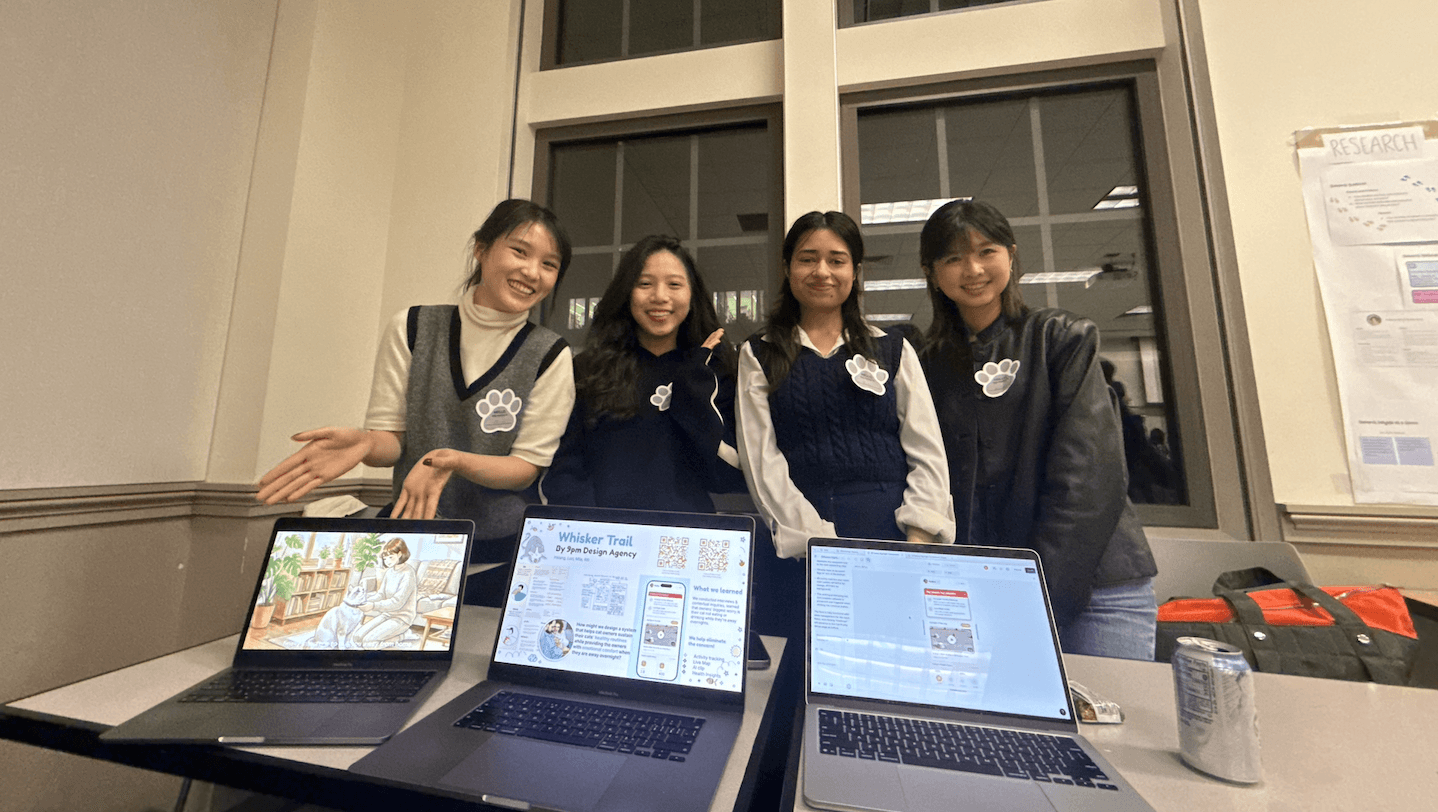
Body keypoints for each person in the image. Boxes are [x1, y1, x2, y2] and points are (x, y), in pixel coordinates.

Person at [256, 199, 577, 602]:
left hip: (503, 553)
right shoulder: (412, 327)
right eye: (519, 251)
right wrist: (366, 443)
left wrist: (454, 461)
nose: (532, 272)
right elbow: (392, 443)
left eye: (549, 264)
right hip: (414, 540)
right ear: (481, 249)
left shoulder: (550, 353)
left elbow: (525, 469)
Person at [914, 199, 1158, 660]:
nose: (973, 269)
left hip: (1099, 589)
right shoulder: (927, 366)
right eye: (953, 258)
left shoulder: (1061, 338)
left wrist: (1035, 597)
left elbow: (1088, 480)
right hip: (990, 589)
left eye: (986, 251)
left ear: (1011, 255)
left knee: (1102, 710)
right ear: (932, 272)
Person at [737, 210, 954, 548]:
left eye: (836, 261)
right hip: (803, 535)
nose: (822, 271)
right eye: (807, 259)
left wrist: (919, 532)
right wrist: (814, 541)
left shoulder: (892, 348)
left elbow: (926, 448)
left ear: (855, 272)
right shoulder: (759, 353)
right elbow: (761, 462)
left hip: (894, 529)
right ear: (788, 269)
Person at [541, 235, 743, 512]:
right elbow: (564, 469)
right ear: (627, 292)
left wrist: (694, 388)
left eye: (674, 284)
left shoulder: (712, 371)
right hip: (603, 533)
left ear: (692, 294)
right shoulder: (589, 369)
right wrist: (593, 528)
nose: (659, 296)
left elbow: (727, 477)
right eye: (645, 283)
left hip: (686, 531)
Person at [351, 538, 418, 648]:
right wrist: (364, 600)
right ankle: (397, 635)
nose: (387, 561)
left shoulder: (408, 573)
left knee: (368, 643)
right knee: (357, 638)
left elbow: (397, 603)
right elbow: (381, 595)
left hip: (402, 618)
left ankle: (403, 636)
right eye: (385, 558)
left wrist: (373, 606)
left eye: (390, 557)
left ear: (400, 554)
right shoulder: (389, 572)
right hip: (387, 614)